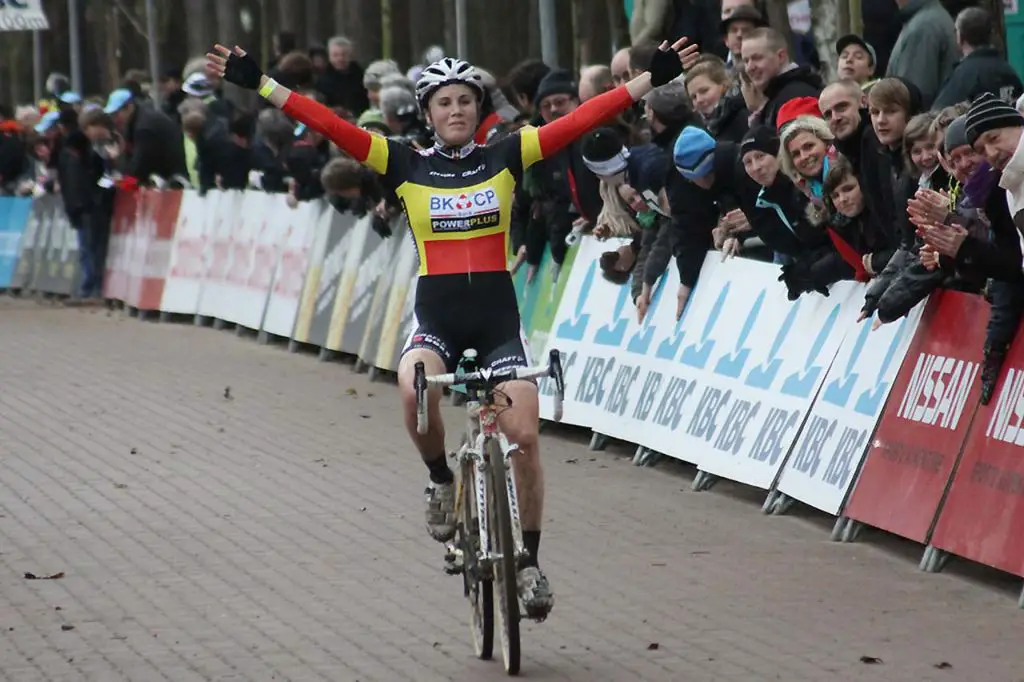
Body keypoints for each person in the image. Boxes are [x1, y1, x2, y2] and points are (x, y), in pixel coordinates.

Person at [206, 38, 694, 621]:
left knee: (526, 436)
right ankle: (439, 479)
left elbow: (583, 117)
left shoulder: (508, 154)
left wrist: (646, 82)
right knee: (414, 389)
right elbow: (331, 125)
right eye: (444, 103)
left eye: (466, 100)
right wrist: (262, 83)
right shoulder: (404, 162)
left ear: (477, 107)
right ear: (428, 112)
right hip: (437, 320)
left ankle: (530, 561)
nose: (456, 110)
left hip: (497, 324)